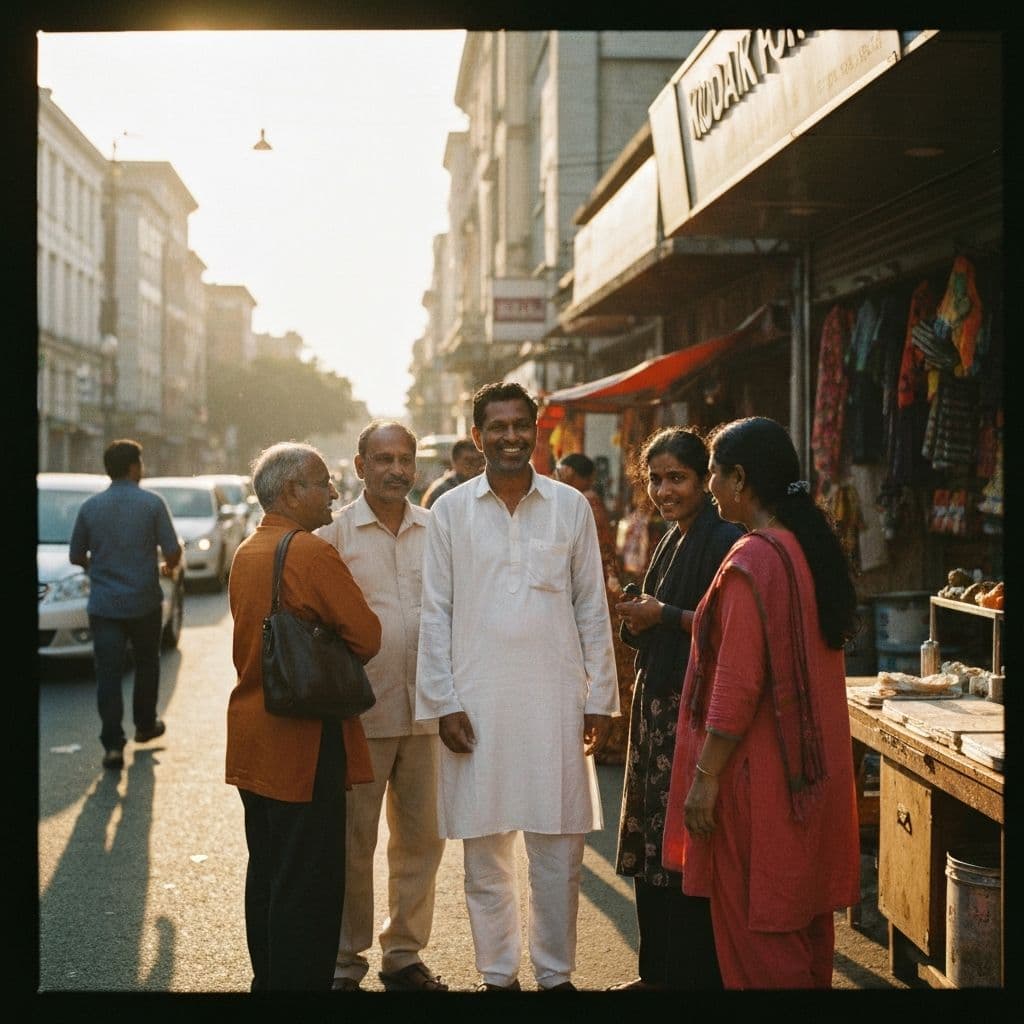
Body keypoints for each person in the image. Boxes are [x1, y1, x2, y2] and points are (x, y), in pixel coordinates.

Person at [415, 381, 619, 993]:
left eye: (519, 425)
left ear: (537, 431)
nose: (509, 436)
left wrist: (601, 697)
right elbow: (435, 611)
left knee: (559, 854)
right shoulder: (450, 511)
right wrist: (443, 701)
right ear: (477, 437)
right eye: (496, 426)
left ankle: (556, 976)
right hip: (475, 705)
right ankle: (497, 976)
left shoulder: (569, 506)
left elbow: (591, 605)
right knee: (485, 856)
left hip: (555, 703)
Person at [661, 416, 861, 989]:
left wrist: (705, 780)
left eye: (715, 473)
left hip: (758, 782)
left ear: (739, 479)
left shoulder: (753, 561)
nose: (711, 485)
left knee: (760, 942)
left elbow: (735, 689)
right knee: (802, 929)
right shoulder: (802, 548)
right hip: (808, 777)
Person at [225, 442, 382, 991]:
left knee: (268, 871)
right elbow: (367, 635)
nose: (334, 491)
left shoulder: (248, 549)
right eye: (324, 482)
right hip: (306, 740)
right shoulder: (309, 553)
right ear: (293, 491)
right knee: (310, 883)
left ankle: (268, 983)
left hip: (253, 735)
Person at [315, 421, 449, 993]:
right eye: (384, 458)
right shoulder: (333, 535)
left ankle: (403, 955)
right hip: (359, 717)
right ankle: (346, 961)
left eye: (405, 459)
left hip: (428, 713)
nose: (397, 469)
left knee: (422, 840)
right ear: (360, 465)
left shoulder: (438, 530)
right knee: (352, 843)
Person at [608, 427, 742, 990]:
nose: (665, 491)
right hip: (656, 707)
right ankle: (654, 972)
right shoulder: (672, 538)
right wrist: (640, 612)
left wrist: (660, 613)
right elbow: (662, 619)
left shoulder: (724, 541)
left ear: (706, 481)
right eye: (657, 479)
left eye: (678, 478)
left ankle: (684, 977)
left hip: (692, 714)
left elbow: (722, 630)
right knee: (649, 846)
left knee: (684, 849)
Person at [69, 439, 182, 771]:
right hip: (144, 601)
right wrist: (167, 567)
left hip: (104, 606)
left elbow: (76, 555)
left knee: (108, 674)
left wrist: (98, 567)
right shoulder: (152, 503)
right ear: (134, 467)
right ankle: (145, 725)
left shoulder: (90, 507)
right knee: (147, 664)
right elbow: (172, 550)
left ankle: (113, 746)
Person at [555, 451, 634, 765]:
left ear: (574, 471)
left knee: (605, 659)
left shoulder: (583, 502)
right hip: (603, 586)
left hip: (597, 589)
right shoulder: (585, 499)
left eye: (563, 469)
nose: (559, 473)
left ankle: (611, 740)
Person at [420, 437, 484, 509]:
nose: (474, 465)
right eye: (468, 461)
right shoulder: (442, 491)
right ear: (454, 462)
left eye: (478, 460)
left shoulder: (483, 486)